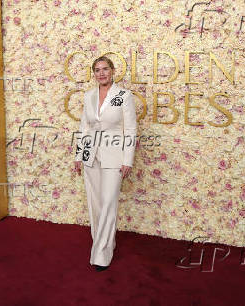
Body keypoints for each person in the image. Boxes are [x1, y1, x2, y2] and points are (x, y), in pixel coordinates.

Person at [74, 56, 137, 272]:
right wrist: (78, 155)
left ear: (112, 71)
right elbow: (84, 126)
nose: (101, 73)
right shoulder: (89, 96)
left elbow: (130, 129)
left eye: (105, 69)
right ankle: (103, 244)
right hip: (91, 154)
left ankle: (101, 254)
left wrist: (127, 159)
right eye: (97, 70)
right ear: (93, 73)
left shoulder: (123, 96)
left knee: (109, 202)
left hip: (114, 156)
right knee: (96, 203)